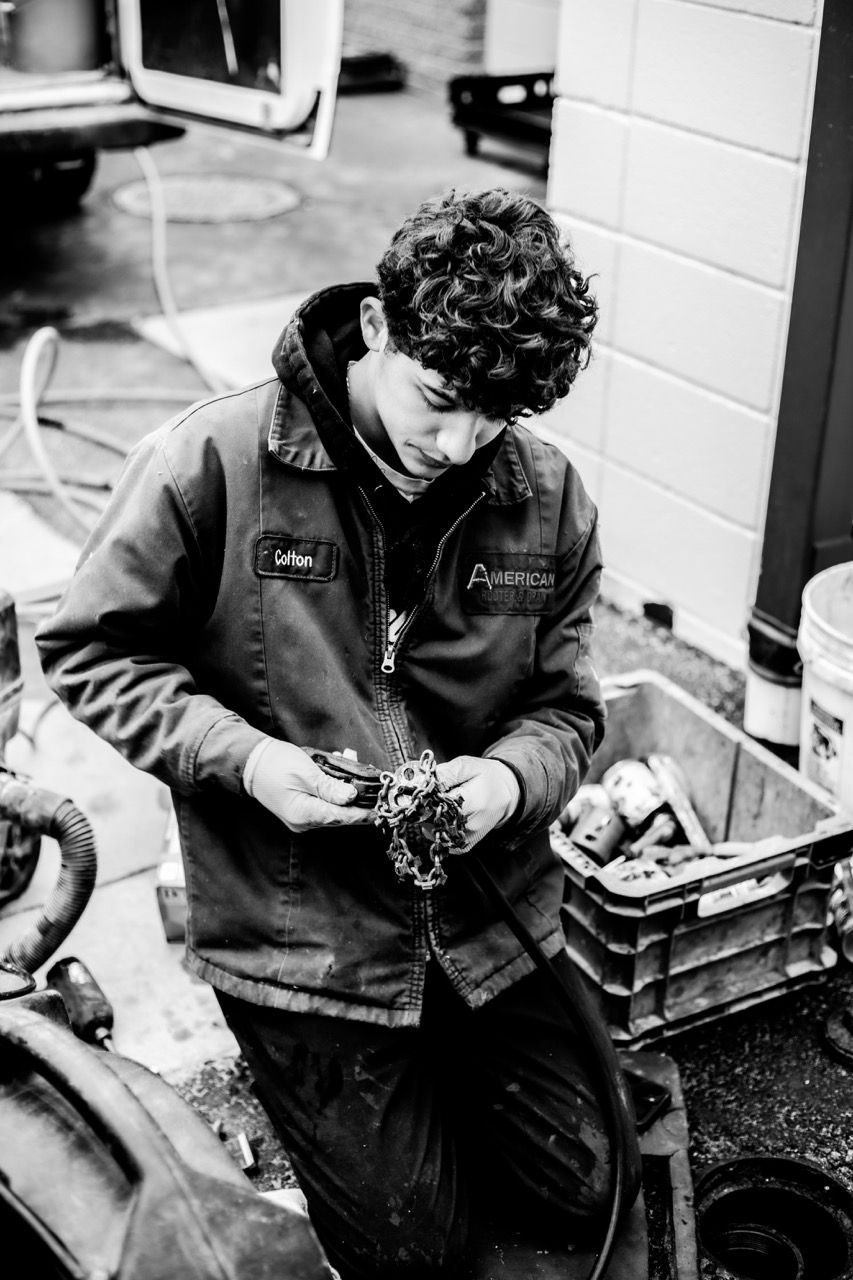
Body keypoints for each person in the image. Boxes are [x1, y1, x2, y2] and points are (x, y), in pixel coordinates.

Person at [36, 187, 640, 1278]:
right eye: (440, 395)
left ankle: (439, 1073)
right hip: (300, 934)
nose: (457, 444)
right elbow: (89, 652)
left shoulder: (549, 499)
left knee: (591, 1184)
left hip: (488, 916)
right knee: (420, 1256)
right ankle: (349, 1098)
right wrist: (251, 760)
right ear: (376, 328)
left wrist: (504, 785)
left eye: (494, 418)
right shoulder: (208, 461)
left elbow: (569, 709)